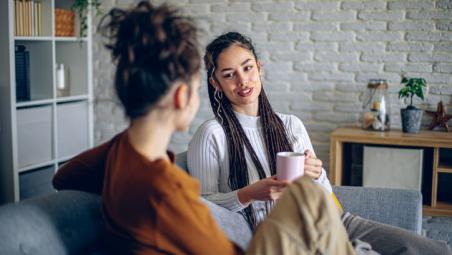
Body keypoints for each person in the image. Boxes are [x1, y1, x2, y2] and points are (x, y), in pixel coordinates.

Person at [53, 2, 356, 254]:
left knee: (312, 203)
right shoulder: (168, 194)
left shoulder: (119, 151)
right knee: (311, 203)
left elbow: (63, 177)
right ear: (182, 95)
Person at [187, 31, 451, 255]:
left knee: (429, 249)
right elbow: (203, 207)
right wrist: (248, 194)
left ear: (259, 67)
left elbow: (324, 193)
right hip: (281, 233)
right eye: (229, 74)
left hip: (332, 219)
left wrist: (316, 174)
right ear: (216, 83)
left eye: (247, 68)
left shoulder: (291, 125)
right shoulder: (212, 134)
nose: (243, 80)